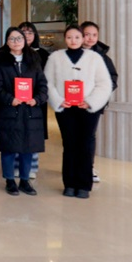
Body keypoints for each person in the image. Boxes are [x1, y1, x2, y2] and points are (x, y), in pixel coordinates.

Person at [44, 25, 112, 199]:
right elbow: (48, 83)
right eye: (69, 37)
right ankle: (69, 183)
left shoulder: (95, 58)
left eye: (77, 37)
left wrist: (90, 102)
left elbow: (104, 84)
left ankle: (83, 185)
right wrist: (59, 101)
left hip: (87, 109)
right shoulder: (55, 58)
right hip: (65, 109)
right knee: (69, 144)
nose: (73, 40)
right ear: (65, 39)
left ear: (82, 39)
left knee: (85, 145)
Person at [0, 27, 48, 196]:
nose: (16, 42)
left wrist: (37, 99)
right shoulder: (0, 60)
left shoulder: (33, 59)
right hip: (9, 110)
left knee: (28, 148)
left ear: (25, 40)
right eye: (12, 39)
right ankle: (9, 180)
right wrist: (9, 99)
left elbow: (43, 85)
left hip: (30, 111)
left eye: (19, 38)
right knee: (8, 147)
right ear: (6, 41)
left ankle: (25, 180)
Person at [80, 20, 119, 183]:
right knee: (72, 137)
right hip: (71, 103)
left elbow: (112, 79)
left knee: (89, 136)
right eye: (87, 34)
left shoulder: (103, 57)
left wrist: (96, 96)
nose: (90, 38)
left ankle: (88, 167)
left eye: (94, 35)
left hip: (92, 103)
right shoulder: (69, 54)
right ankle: (72, 167)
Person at [17, 21, 50, 179]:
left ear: (35, 35)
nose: (27, 35)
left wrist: (38, 97)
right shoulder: (9, 52)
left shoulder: (43, 54)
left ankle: (31, 167)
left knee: (34, 133)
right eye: (23, 32)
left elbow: (46, 79)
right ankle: (16, 166)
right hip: (15, 101)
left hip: (35, 101)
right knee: (16, 131)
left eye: (30, 32)